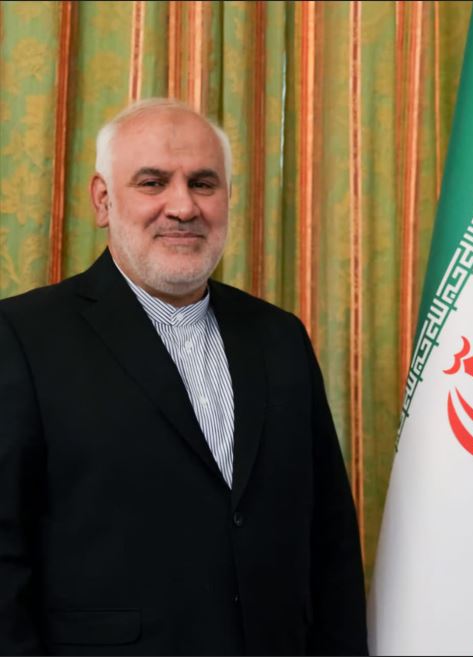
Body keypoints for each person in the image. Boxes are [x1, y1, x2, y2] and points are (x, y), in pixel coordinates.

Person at [0, 98, 368, 656]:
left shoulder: (280, 337)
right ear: (103, 200)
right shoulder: (23, 336)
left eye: (203, 183)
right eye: (152, 182)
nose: (182, 207)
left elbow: (329, 540)